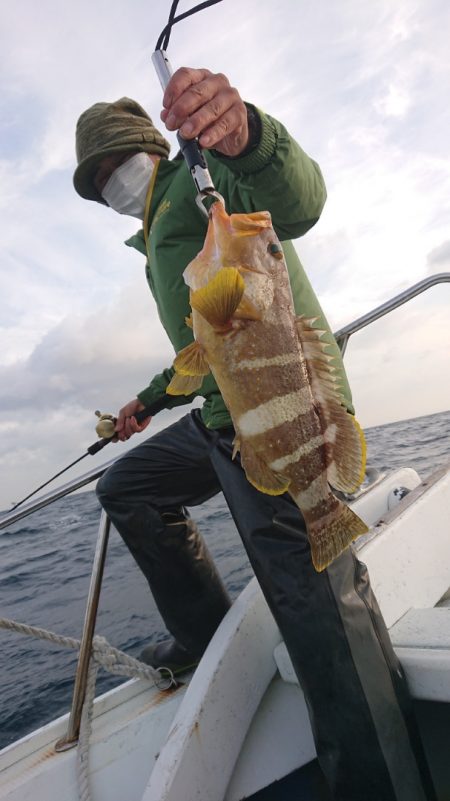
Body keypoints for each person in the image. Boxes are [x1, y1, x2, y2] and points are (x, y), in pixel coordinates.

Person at [73, 68, 436, 801]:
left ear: (151, 147)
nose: (113, 182)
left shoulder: (205, 183)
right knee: (127, 487)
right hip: (223, 415)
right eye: (99, 178)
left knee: (318, 611)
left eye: (118, 162)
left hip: (284, 412)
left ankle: (380, 783)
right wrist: (148, 402)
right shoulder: (155, 233)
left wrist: (247, 137)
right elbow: (200, 346)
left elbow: (299, 200)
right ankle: (204, 635)